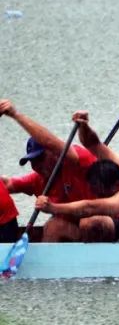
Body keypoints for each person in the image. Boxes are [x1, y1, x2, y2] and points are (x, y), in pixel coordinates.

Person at [0, 99, 98, 241]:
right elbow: (6, 184)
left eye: (40, 158)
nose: (37, 165)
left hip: (102, 225)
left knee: (88, 223)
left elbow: (50, 142)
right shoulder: (36, 180)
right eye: (32, 161)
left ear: (54, 153)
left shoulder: (75, 162)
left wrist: (15, 114)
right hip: (75, 232)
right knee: (54, 227)